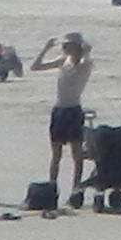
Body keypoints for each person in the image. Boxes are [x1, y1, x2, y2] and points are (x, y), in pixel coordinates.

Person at [43, 33, 94, 195]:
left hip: (73, 110)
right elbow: (36, 67)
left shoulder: (85, 63)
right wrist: (46, 48)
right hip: (59, 110)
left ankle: (76, 189)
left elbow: (85, 58)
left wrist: (83, 50)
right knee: (56, 154)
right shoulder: (63, 61)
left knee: (76, 153)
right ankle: (52, 187)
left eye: (68, 45)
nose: (65, 48)